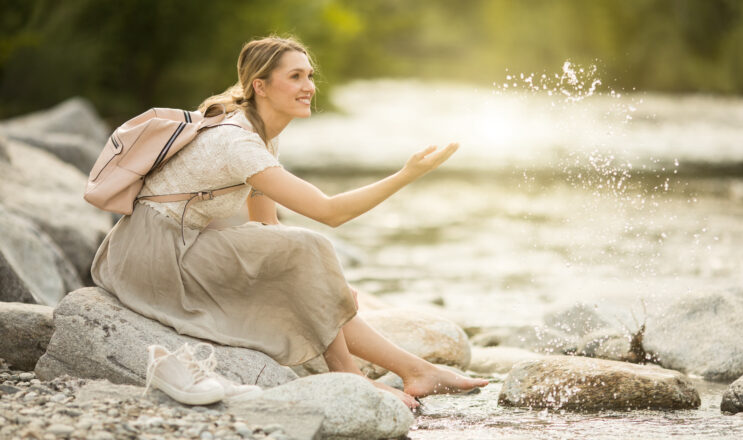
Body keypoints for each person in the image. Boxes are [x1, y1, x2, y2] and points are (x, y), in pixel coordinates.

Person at [91, 36, 487, 409]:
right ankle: (351, 374)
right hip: (152, 257)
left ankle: (417, 370)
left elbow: (268, 228)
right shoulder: (237, 141)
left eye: (309, 75)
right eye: (295, 76)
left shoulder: (260, 134)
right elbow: (330, 213)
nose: (308, 86)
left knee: (307, 259)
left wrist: (322, 285)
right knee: (311, 247)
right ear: (260, 86)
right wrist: (407, 174)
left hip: (179, 244)